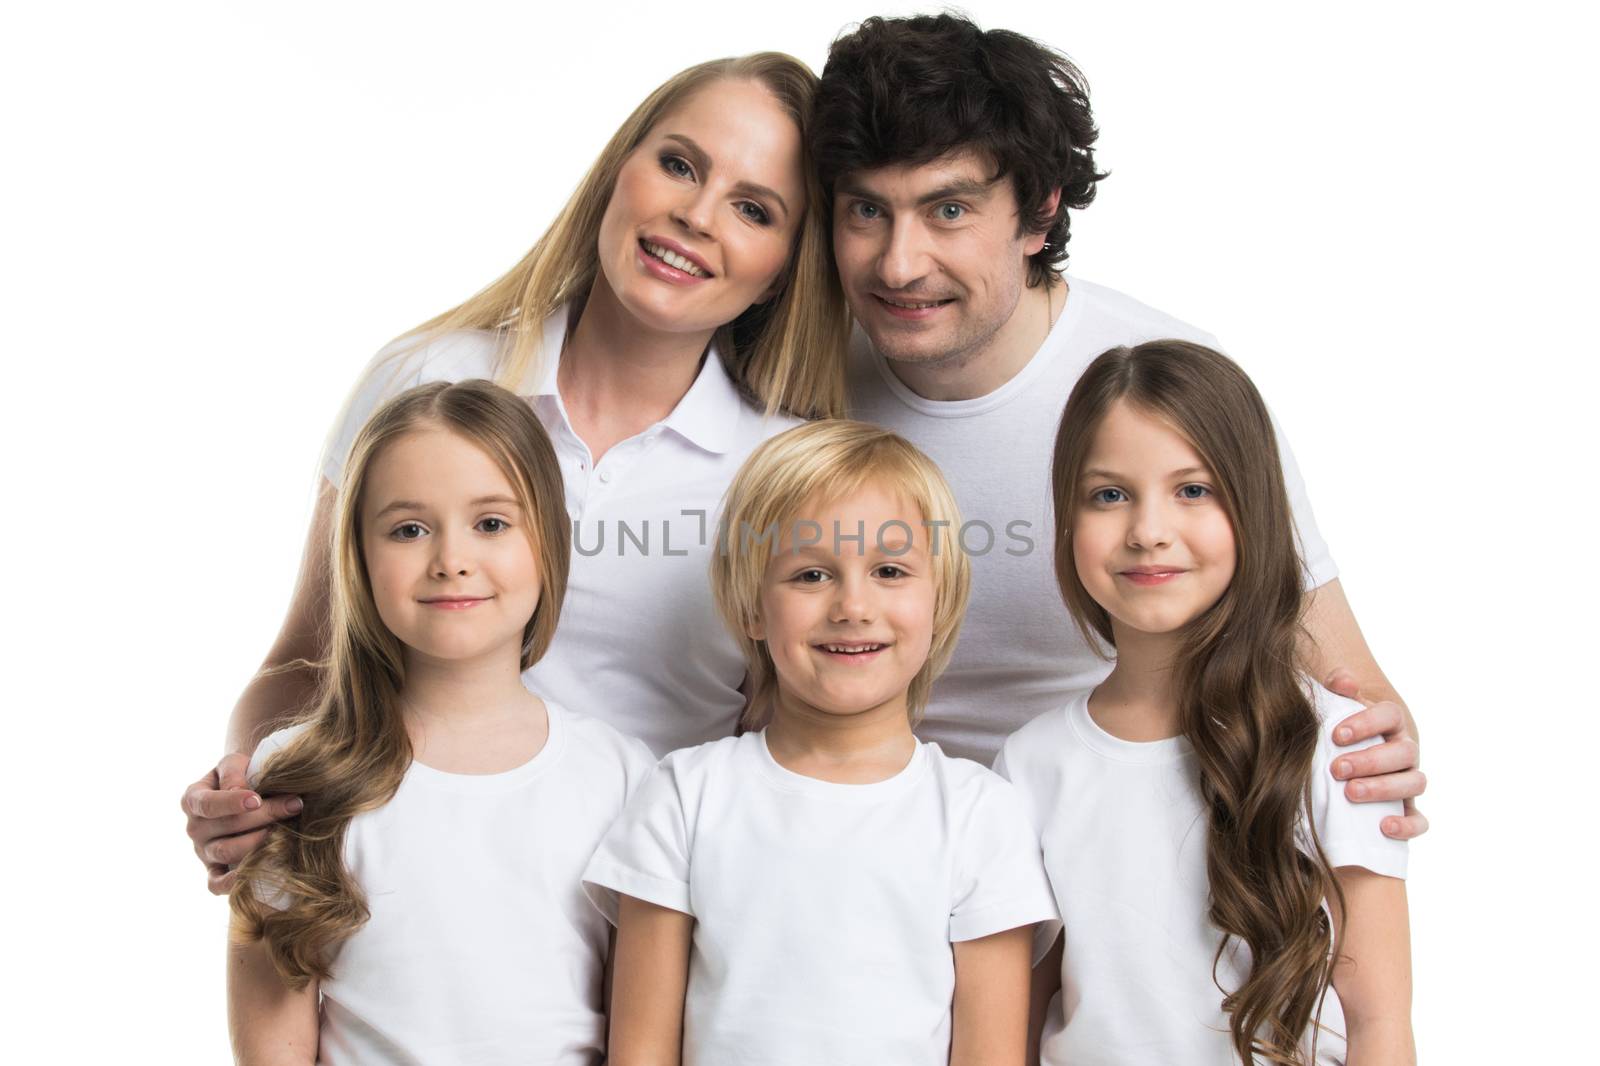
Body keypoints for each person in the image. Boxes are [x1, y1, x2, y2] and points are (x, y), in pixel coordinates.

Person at [186, 52, 851, 892]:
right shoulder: (426, 380)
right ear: (619, 171)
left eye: (753, 209)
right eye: (679, 164)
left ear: (786, 270)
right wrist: (249, 789)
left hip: (642, 925)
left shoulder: (785, 469)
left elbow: (784, 744)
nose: (696, 215)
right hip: (399, 895)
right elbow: (304, 660)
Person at [814, 13, 1427, 835]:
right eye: (866, 212)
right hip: (861, 833)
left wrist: (1379, 740)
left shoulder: (1162, 380)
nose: (898, 263)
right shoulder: (798, 379)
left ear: (1037, 215)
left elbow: (1329, 657)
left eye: (949, 210)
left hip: (1098, 840)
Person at [583, 421, 1059, 1065]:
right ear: (753, 606)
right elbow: (640, 1051)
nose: (852, 605)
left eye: (890, 569)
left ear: (939, 601)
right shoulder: (683, 795)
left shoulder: (981, 814)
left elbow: (991, 1056)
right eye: (811, 575)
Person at [999, 341, 1412, 1064]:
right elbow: (1013, 1022)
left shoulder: (1337, 746)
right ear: (1067, 521)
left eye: (1193, 490)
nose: (1148, 530)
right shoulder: (1031, 764)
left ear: (1253, 509)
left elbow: (1379, 1022)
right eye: (1109, 494)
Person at [228, 380, 657, 1064]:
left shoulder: (624, 778)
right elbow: (273, 1037)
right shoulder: (298, 777)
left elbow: (643, 1029)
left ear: (546, 540)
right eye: (408, 529)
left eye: (491, 523)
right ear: (358, 558)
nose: (451, 560)